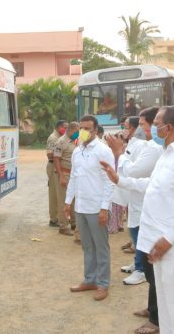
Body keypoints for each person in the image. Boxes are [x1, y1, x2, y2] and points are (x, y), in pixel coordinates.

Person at [102, 106, 174, 333]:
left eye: (156, 123)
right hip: (159, 243)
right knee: (166, 307)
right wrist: (119, 180)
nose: (152, 128)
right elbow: (151, 185)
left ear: (168, 128)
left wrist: (169, 238)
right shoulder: (168, 153)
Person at [106, 109, 163, 334]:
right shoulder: (149, 146)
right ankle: (153, 310)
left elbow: (135, 171)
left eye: (144, 124)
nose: (140, 129)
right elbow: (141, 180)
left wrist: (120, 154)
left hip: (157, 217)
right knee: (151, 269)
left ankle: (158, 319)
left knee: (153, 270)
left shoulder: (160, 150)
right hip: (144, 208)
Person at [66, 115, 114, 301]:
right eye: (82, 128)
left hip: (97, 207)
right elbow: (73, 177)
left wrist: (104, 208)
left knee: (101, 247)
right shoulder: (77, 151)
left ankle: (103, 284)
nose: (84, 132)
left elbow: (109, 182)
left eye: (88, 128)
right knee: (87, 246)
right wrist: (68, 201)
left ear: (95, 131)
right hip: (81, 207)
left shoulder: (103, 150)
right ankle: (90, 279)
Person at [53, 121, 80, 236]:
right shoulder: (61, 142)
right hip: (64, 173)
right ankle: (63, 226)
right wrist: (61, 176)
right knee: (64, 200)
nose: (78, 134)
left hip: (73, 174)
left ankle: (73, 223)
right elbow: (56, 159)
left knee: (73, 200)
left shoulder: (75, 141)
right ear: (71, 130)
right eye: (77, 132)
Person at [46, 120, 67, 227]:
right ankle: (53, 219)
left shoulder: (60, 137)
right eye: (65, 127)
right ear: (59, 127)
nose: (66, 129)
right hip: (53, 166)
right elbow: (49, 154)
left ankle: (58, 217)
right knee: (54, 194)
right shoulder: (53, 138)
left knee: (60, 194)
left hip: (57, 166)